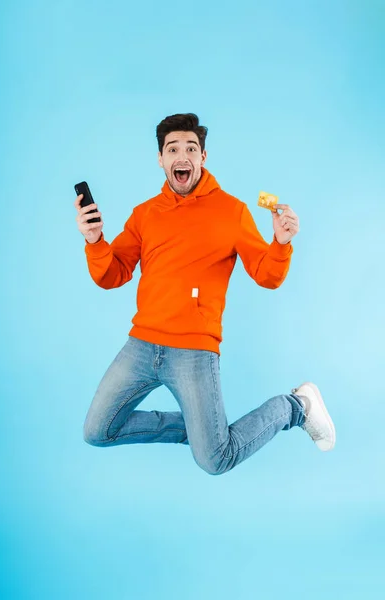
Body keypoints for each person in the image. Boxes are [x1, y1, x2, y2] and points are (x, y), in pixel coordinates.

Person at [74, 113, 336, 476]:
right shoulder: (145, 215)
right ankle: (205, 432)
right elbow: (112, 274)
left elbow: (267, 275)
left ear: (203, 157)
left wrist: (280, 243)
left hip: (194, 352)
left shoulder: (232, 211)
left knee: (214, 460)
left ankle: (296, 406)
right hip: (141, 346)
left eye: (191, 149)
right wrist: (95, 241)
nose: (182, 156)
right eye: (173, 149)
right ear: (161, 159)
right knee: (97, 430)